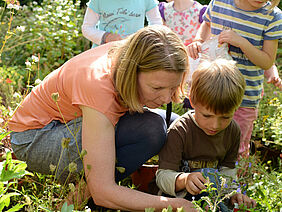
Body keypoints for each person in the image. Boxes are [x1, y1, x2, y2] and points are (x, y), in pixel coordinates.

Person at [8, 25, 198, 211]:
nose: (166, 98)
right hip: (36, 138)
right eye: (157, 88)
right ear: (132, 73)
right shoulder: (98, 85)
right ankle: (72, 202)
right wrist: (175, 206)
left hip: (69, 123)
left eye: (172, 87)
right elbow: (103, 192)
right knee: (150, 130)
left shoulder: (130, 54)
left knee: (176, 124)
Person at [156, 59, 257, 211]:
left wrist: (234, 194)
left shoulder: (233, 131)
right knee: (206, 174)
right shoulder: (180, 130)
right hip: (180, 200)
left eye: (225, 117)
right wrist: (184, 179)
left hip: (213, 198)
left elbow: (227, 171)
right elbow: (162, 177)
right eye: (207, 116)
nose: (215, 125)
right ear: (192, 101)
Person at [187, 0, 282, 157]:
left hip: (245, 97)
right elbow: (207, 25)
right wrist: (198, 41)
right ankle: (202, 175)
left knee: (236, 147)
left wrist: (242, 43)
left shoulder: (272, 16)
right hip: (210, 89)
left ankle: (234, 179)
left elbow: (266, 62)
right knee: (201, 138)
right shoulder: (219, 3)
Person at [81, 0, 163, 48]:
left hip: (134, 51)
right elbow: (87, 28)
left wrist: (141, 39)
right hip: (103, 52)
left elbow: (157, 24)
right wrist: (106, 37)